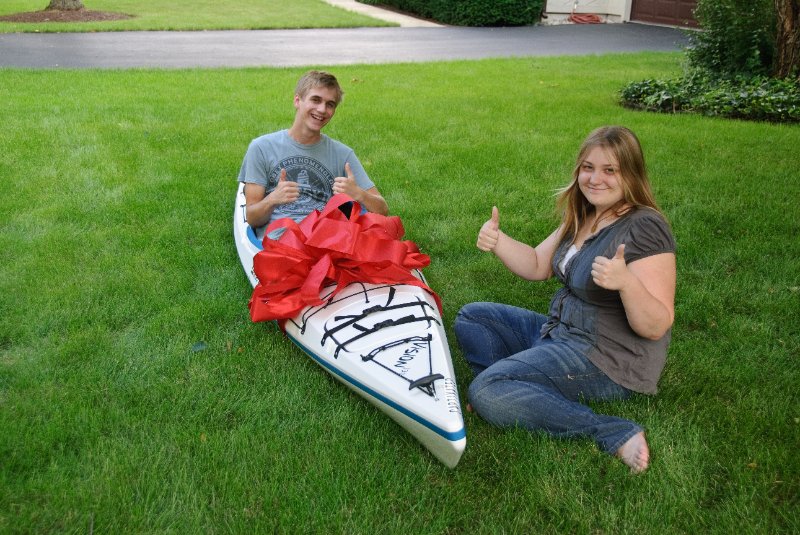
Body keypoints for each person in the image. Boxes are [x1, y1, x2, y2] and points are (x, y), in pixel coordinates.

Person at [454, 126, 676, 473]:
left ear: (630, 174)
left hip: (608, 360)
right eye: (588, 167)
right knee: (474, 317)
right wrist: (498, 241)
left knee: (488, 389)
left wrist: (627, 283)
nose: (595, 178)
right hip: (561, 335)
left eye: (609, 170)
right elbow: (539, 264)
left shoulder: (644, 226)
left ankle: (613, 432)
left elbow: (656, 326)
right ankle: (511, 390)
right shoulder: (585, 214)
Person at [238, 70, 388, 238]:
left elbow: (382, 210)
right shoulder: (261, 148)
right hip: (283, 240)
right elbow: (252, 218)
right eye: (315, 100)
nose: (322, 109)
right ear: (297, 101)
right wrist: (273, 199)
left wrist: (358, 193)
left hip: (328, 237)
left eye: (330, 104)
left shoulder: (343, 154)